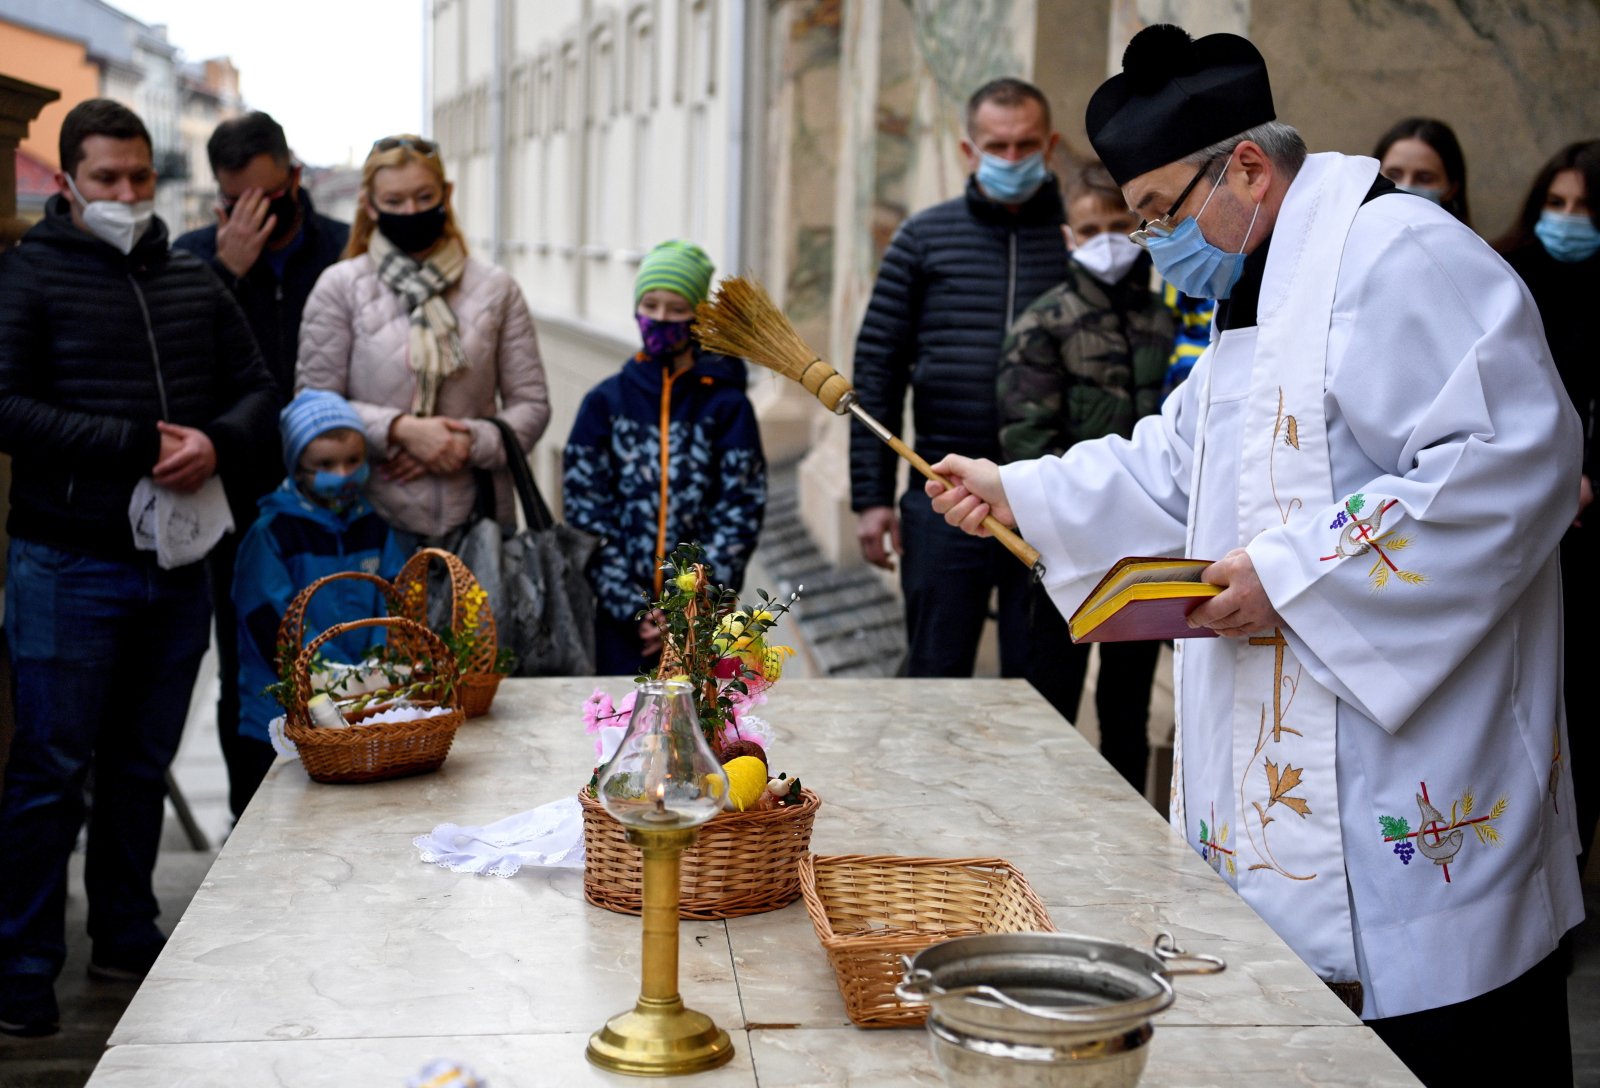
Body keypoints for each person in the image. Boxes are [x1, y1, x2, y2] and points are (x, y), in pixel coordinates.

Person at [926, 25, 1582, 1087]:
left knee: (1449, 1046)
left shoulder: (1398, 251)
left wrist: (1294, 574)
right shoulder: (1253, 290)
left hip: (1412, 770)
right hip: (1281, 783)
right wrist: (1018, 489)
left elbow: (1513, 459)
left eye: (1156, 215)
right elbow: (1176, 469)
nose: (1150, 244)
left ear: (1244, 167)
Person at [0, 99, 278, 1037]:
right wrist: (128, 442)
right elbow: (4, 403)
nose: (124, 194)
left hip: (176, 565)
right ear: (70, 181)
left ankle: (125, 934)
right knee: (48, 771)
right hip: (67, 564)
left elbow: (257, 392)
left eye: (139, 178)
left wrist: (215, 442)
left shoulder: (192, 281)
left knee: (138, 765)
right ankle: (22, 973)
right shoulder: (29, 276)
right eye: (106, 178)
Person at [850, 77, 1070, 703]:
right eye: (995, 145)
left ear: (1049, 145)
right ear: (967, 151)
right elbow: (877, 368)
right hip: (944, 493)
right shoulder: (922, 239)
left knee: (1041, 686)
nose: (1010, 158)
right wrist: (872, 496)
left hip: (1047, 495)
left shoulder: (1077, 238)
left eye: (1025, 144)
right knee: (935, 677)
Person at [173, 111, 351, 820]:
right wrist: (226, 271)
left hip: (335, 492)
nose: (250, 216)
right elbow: (178, 369)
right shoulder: (194, 260)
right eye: (232, 202)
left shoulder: (342, 250)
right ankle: (250, 824)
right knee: (248, 668)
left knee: (348, 650)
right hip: (237, 499)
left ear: (296, 180)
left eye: (266, 200)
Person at [995, 162, 1173, 791]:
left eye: (1119, 224)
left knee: (1127, 715)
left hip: (1142, 554)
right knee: (1049, 708)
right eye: (1090, 227)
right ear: (1070, 236)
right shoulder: (1044, 325)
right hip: (1062, 551)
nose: (1106, 238)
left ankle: (1122, 840)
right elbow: (1026, 444)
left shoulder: (1164, 319)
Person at [296, 135, 550, 550]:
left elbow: (532, 406)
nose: (410, 212)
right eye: (394, 202)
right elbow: (314, 404)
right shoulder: (340, 287)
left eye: (423, 196)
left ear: (445, 195)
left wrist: (462, 442)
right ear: (370, 205)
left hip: (478, 525)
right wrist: (401, 431)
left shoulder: (496, 289)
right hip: (368, 525)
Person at [563, 241, 766, 674]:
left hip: (704, 627)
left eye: (676, 309)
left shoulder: (727, 408)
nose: (660, 318)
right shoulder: (604, 403)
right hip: (620, 628)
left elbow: (738, 512)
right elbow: (586, 514)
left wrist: (688, 607)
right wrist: (635, 607)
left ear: (697, 317)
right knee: (619, 731)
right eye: (650, 304)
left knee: (705, 733)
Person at [1497, 139, 1600, 885]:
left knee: (1586, 719)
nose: (1568, 222)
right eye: (1557, 205)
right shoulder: (1510, 280)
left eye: (1586, 210)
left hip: (1589, 535)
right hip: (1525, 536)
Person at [232, 390, 408, 800]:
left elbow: (396, 599)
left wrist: (377, 664)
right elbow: (268, 618)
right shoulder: (273, 533)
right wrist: (321, 675)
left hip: (366, 701)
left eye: (353, 461)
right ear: (297, 467)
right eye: (326, 465)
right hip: (285, 709)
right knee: (281, 810)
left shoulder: (376, 529)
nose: (343, 473)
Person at [1372, 117, 1471, 226]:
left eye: (1424, 179)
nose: (1406, 186)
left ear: (1451, 190)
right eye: (1393, 175)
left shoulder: (1464, 242)